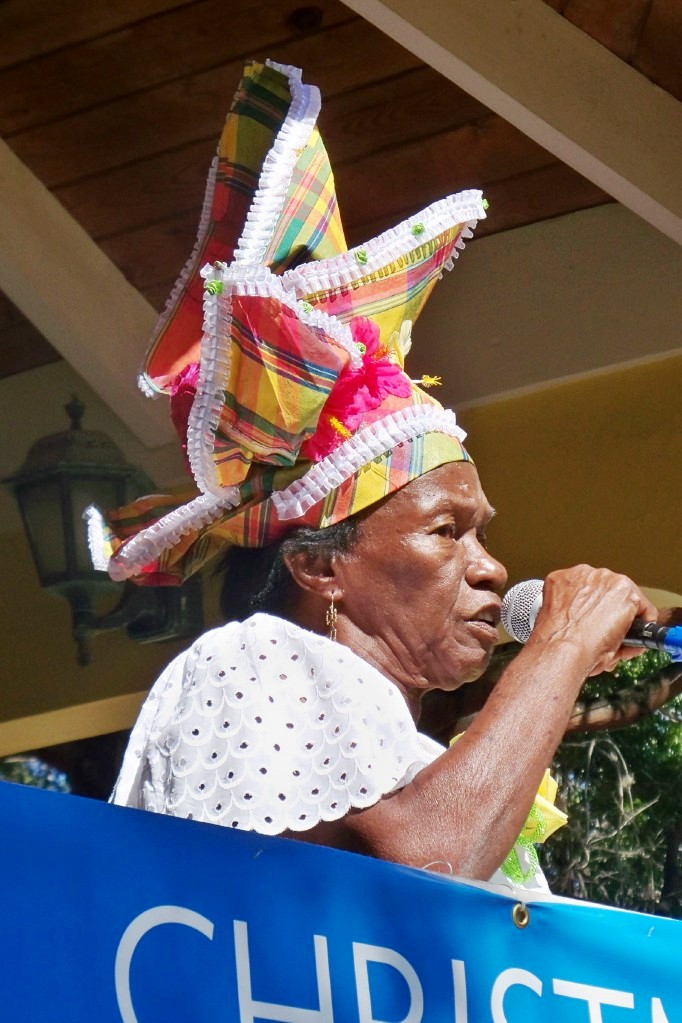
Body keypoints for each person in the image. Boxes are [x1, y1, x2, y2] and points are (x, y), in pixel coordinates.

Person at [95, 60, 657, 892]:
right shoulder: (252, 661)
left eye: (484, 533)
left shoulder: (410, 751)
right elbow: (424, 874)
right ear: (321, 565)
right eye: (446, 530)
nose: (493, 566)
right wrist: (563, 644)